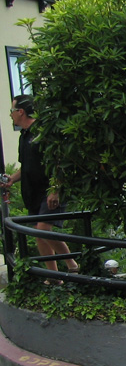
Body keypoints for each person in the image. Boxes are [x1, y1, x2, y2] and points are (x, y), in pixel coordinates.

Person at [3, 95, 78, 280]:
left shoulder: (43, 133)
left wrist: (55, 189)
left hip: (49, 189)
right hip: (33, 192)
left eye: (12, 111)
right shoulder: (24, 136)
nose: (10, 116)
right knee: (38, 234)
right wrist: (12, 178)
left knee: (43, 229)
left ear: (21, 111)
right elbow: (27, 166)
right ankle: (53, 277)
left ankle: (72, 265)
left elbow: (59, 161)